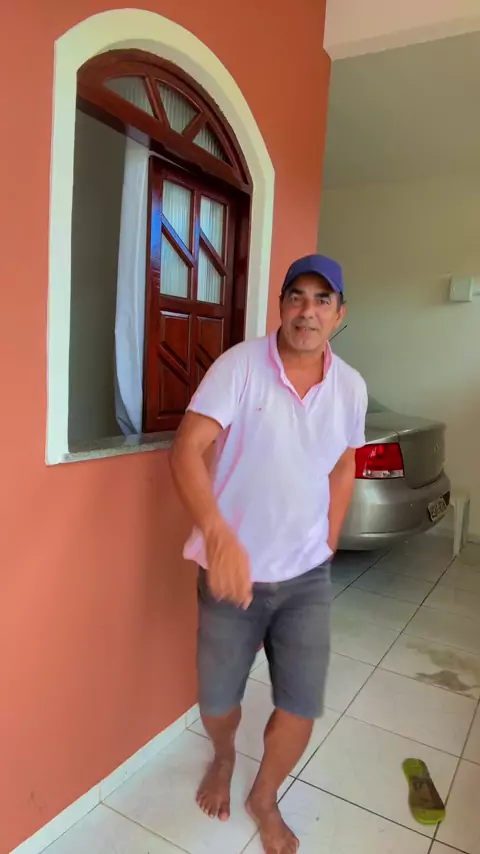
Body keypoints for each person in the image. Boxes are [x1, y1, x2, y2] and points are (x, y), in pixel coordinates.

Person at [170, 254, 368, 854]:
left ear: (340, 314)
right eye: (296, 297)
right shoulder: (240, 367)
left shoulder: (351, 386)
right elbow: (187, 448)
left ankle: (265, 794)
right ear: (281, 305)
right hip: (229, 571)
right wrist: (218, 534)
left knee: (301, 705)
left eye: (322, 300)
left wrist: (329, 538)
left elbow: (344, 462)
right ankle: (223, 755)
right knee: (218, 700)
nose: (307, 311)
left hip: (305, 576)